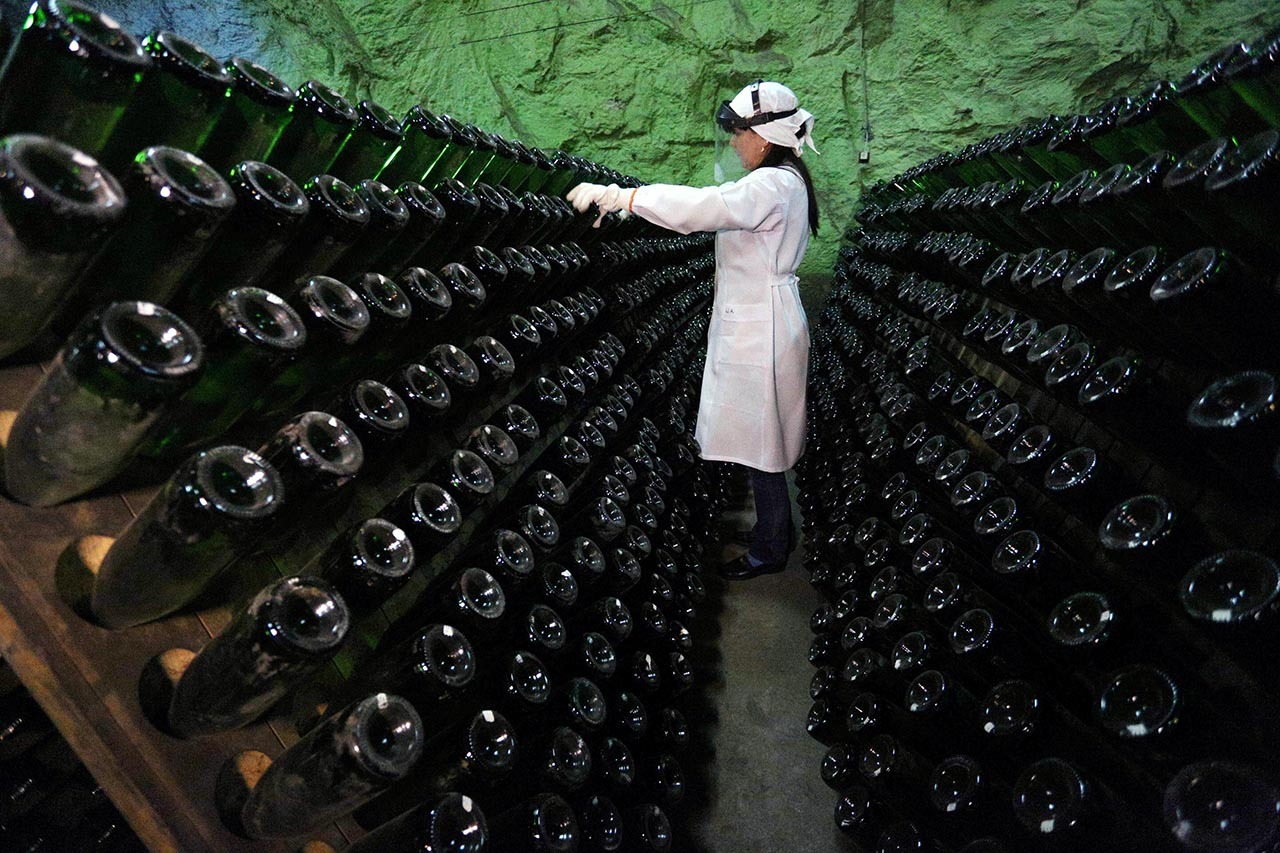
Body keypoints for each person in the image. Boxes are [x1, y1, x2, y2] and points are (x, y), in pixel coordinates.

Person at [566, 80, 819, 580]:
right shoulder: (787, 179)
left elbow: (709, 207)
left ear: (763, 137)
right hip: (763, 318)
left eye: (738, 133)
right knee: (761, 438)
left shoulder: (770, 185)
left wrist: (624, 197)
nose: (733, 142)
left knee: (764, 442)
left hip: (762, 327)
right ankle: (775, 530)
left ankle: (770, 551)